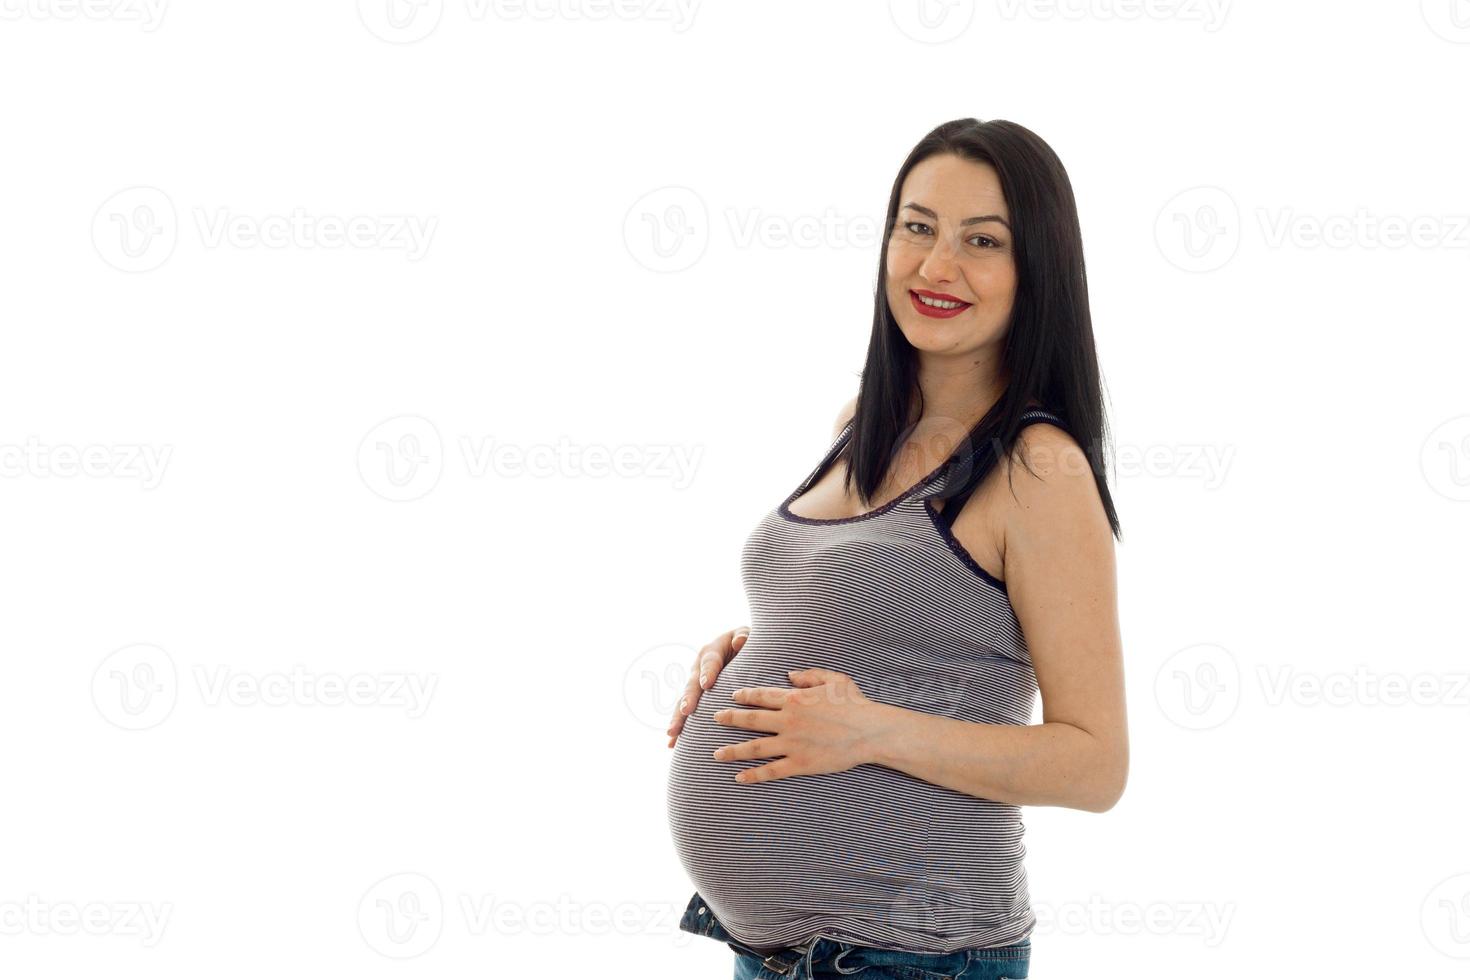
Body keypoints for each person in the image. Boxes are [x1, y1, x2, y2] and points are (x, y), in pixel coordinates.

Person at [665, 117, 1127, 980]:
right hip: (777, 956)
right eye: (916, 228)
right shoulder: (859, 428)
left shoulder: (1039, 469)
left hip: (910, 955)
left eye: (981, 242)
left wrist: (869, 732)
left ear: (1038, 272)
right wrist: (748, 654)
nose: (935, 267)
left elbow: (1095, 764)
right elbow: (893, 610)